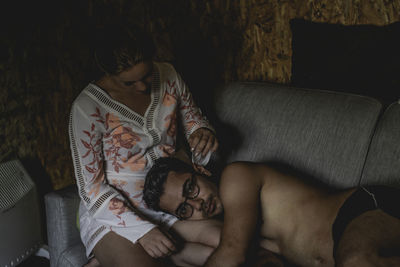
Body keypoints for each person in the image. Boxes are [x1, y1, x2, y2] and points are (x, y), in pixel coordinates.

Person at [69, 24, 220, 267]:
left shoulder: (169, 75)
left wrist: (201, 132)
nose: (142, 87)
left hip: (168, 205)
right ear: (107, 73)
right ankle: (114, 252)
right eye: (129, 83)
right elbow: (91, 190)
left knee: (228, 241)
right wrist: (142, 231)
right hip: (114, 216)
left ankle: (170, 252)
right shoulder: (86, 109)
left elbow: (194, 121)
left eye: (147, 74)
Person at [143, 157, 400, 267]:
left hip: (361, 208)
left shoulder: (236, 176)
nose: (198, 204)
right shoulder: (235, 225)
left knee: (357, 263)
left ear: (201, 170)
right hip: (341, 253)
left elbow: (232, 253)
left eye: (191, 188)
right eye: (185, 209)